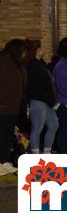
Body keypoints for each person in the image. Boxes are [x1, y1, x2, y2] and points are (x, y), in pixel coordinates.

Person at [25, 40, 58, 154]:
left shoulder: (40, 63)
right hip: (39, 101)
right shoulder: (32, 65)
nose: (42, 50)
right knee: (37, 128)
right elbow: (32, 87)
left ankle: (46, 152)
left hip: (48, 101)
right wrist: (46, 96)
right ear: (36, 50)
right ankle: (35, 155)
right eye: (40, 48)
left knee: (53, 125)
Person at [0, 39, 27, 173]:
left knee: (7, 135)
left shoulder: (16, 64)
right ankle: (2, 162)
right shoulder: (5, 63)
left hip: (12, 107)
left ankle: (4, 161)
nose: (25, 54)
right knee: (3, 135)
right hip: (4, 107)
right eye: (23, 50)